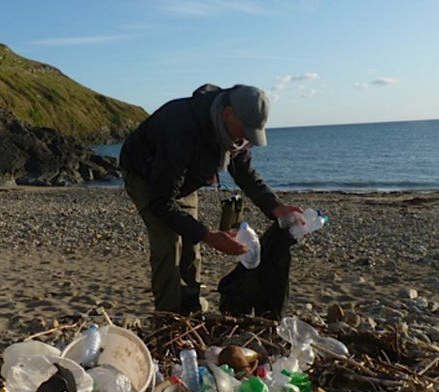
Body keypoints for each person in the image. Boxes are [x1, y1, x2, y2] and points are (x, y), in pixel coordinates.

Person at [119, 84, 302, 313]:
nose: (247, 138)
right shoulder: (182, 127)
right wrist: (209, 236)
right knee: (168, 242)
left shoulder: (235, 136)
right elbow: (160, 201)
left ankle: (191, 304)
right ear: (228, 113)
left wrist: (276, 207)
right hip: (145, 175)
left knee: (191, 244)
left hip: (182, 178)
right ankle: (168, 314)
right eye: (245, 130)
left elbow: (245, 175)